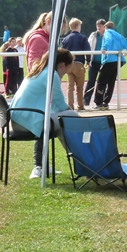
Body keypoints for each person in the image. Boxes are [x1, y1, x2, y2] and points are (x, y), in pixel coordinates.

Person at [10, 48, 78, 179]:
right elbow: (60, 104)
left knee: (60, 123)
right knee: (72, 118)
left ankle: (42, 165)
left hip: (18, 119)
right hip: (27, 120)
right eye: (67, 68)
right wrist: (76, 115)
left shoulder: (38, 71)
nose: (66, 73)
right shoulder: (51, 75)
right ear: (62, 65)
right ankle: (82, 161)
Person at [93, 21, 127, 110]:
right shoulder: (119, 35)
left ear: (106, 27)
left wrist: (104, 47)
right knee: (111, 82)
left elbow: (108, 40)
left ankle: (99, 102)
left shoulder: (107, 33)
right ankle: (106, 102)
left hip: (109, 60)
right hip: (118, 61)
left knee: (101, 82)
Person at [62, 18, 91, 111]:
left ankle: (70, 105)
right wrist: (88, 61)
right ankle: (80, 105)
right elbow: (88, 50)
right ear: (78, 26)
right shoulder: (83, 38)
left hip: (69, 65)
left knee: (70, 87)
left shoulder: (66, 38)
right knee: (79, 87)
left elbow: (63, 51)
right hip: (79, 63)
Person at [83, 19, 106, 107]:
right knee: (91, 81)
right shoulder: (93, 35)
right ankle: (86, 100)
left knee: (102, 83)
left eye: (100, 26)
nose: (98, 28)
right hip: (94, 62)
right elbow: (89, 46)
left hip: (104, 62)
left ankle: (100, 100)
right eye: (97, 26)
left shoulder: (107, 35)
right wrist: (88, 60)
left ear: (104, 26)